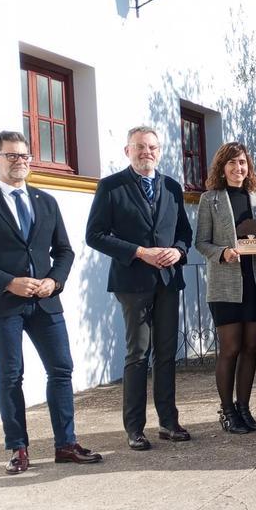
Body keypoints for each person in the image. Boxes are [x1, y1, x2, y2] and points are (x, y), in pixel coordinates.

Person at [0, 130, 102, 473]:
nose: (20, 162)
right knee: (10, 374)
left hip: (46, 302)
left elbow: (63, 251)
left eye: (24, 156)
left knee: (61, 369)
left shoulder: (45, 201)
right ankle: (18, 448)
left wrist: (54, 280)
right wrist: (8, 283)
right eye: (11, 156)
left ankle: (65, 444)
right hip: (2, 303)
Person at [87, 125, 193, 451]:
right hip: (133, 282)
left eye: (152, 147)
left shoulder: (172, 187)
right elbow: (96, 235)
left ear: (159, 152)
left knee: (166, 354)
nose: (146, 152)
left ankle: (168, 422)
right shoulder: (111, 187)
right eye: (140, 147)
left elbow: (184, 234)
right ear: (127, 151)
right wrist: (139, 252)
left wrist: (179, 251)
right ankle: (134, 428)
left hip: (167, 280)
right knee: (137, 355)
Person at [195, 142, 256, 434]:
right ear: (222, 167)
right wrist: (223, 253)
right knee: (230, 349)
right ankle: (227, 410)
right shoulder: (210, 199)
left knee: (250, 348)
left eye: (242, 162)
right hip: (226, 286)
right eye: (231, 163)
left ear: (248, 166)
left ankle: (244, 409)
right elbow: (200, 242)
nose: (237, 168)